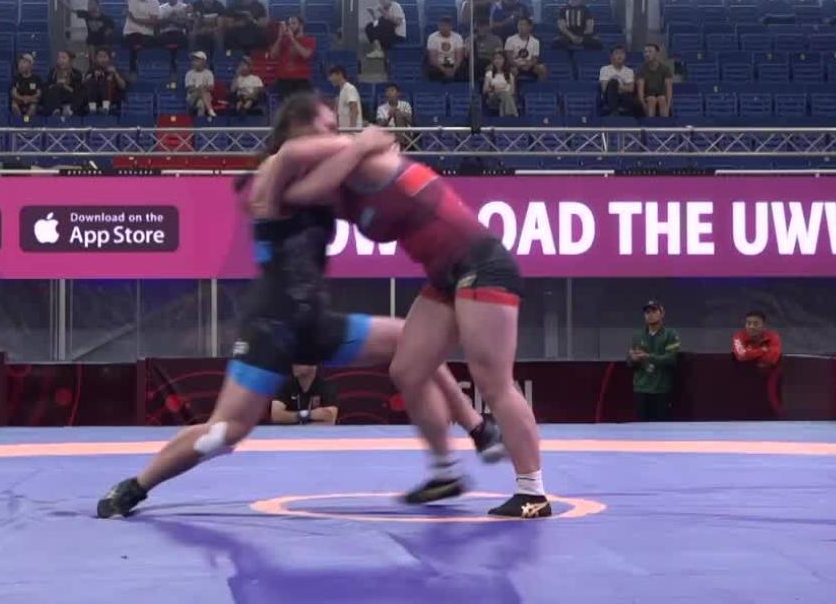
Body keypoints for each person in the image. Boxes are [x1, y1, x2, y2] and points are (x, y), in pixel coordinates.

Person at [96, 95, 503, 518]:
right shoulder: (272, 174)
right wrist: (362, 144)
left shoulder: (322, 182)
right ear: (301, 128)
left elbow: (367, 182)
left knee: (411, 342)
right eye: (328, 128)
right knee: (224, 433)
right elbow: (294, 153)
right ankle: (135, 487)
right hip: (271, 327)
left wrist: (380, 159)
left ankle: (461, 450)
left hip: (313, 321)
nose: (336, 135)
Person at [278, 121, 548, 516]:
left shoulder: (367, 163)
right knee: (408, 369)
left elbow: (303, 189)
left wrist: (353, 148)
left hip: (482, 265)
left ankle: (533, 493)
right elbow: (298, 198)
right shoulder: (339, 191)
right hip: (445, 277)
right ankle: (445, 472)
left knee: (494, 382)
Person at [627, 300, 680, 422]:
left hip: (661, 390)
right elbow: (629, 362)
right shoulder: (637, 336)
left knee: (661, 429)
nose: (650, 314)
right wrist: (632, 359)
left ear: (662, 313)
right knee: (641, 428)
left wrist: (647, 357)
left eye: (654, 311)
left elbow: (671, 359)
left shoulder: (670, 334)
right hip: (641, 389)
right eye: (647, 312)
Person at [270, 365, 338, 425]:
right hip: (290, 434)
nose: (294, 365)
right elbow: (276, 416)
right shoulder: (287, 386)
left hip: (317, 435)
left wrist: (291, 418)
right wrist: (306, 415)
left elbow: (330, 420)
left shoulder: (326, 387)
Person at [268, 15, 315, 98]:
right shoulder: (284, 40)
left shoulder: (309, 40)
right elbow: (273, 55)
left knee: (304, 101)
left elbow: (306, 55)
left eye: (293, 23)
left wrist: (292, 39)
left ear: (301, 25)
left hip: (301, 79)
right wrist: (280, 37)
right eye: (289, 24)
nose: (290, 26)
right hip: (284, 80)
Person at [636, 43, 674, 118]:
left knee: (662, 98)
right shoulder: (641, 69)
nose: (647, 54)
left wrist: (668, 106)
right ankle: (650, 123)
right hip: (648, 97)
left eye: (650, 51)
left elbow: (669, 89)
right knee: (652, 99)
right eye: (645, 52)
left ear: (657, 54)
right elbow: (640, 91)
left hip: (661, 96)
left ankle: (665, 123)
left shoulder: (665, 69)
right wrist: (643, 105)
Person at [483, 51, 518, 117]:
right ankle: (512, 115)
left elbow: (512, 91)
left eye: (499, 59)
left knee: (504, 98)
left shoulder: (510, 74)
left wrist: (503, 92)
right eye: (495, 59)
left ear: (504, 60)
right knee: (504, 95)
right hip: (493, 98)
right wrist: (495, 89)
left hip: (506, 97)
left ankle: (504, 117)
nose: (497, 61)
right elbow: (484, 90)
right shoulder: (489, 74)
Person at [11, 53, 43, 123]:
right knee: (14, 105)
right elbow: (14, 93)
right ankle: (20, 121)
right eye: (20, 63)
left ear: (30, 65)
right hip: (19, 100)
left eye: (23, 63)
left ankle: (26, 121)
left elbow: (38, 93)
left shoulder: (36, 78)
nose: (20, 65)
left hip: (32, 101)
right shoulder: (16, 78)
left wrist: (29, 98)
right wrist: (23, 98)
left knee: (33, 107)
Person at [184, 51, 217, 118]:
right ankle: (210, 110)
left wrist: (202, 88)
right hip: (192, 97)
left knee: (201, 104)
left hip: (205, 98)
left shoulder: (209, 73)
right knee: (202, 91)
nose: (194, 62)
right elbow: (189, 89)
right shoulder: (189, 74)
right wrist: (200, 89)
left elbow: (211, 87)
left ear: (203, 61)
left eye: (197, 60)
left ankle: (200, 122)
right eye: (194, 60)